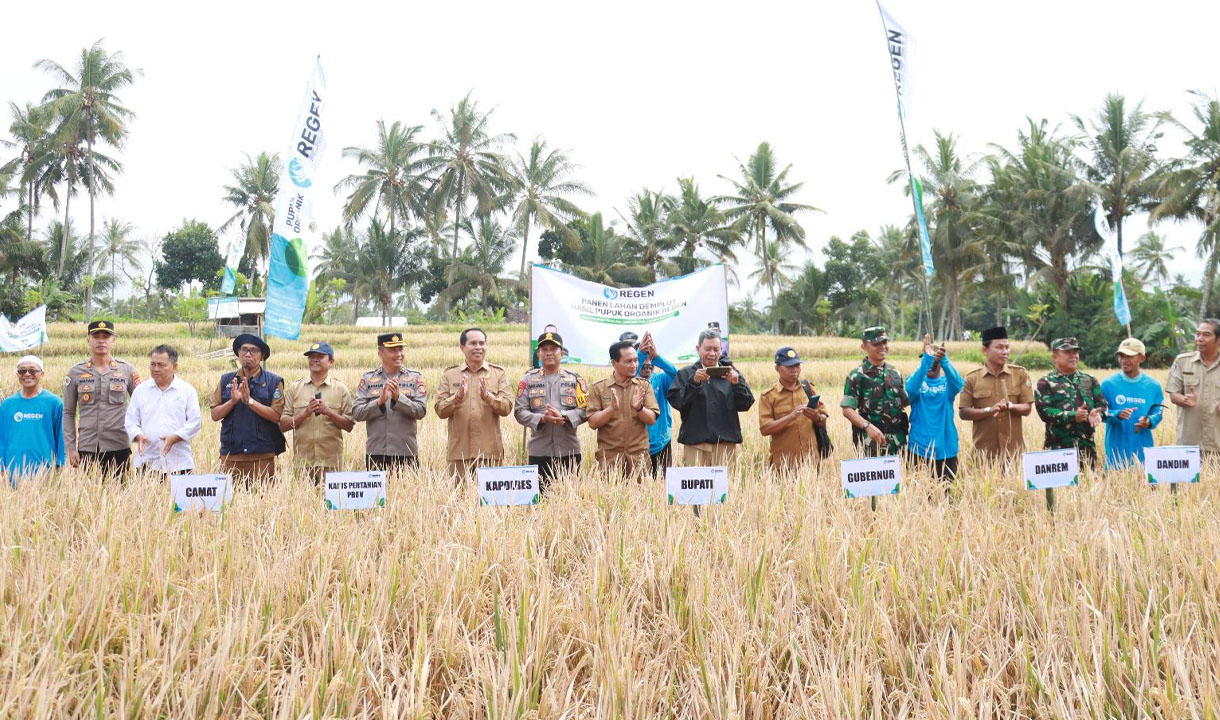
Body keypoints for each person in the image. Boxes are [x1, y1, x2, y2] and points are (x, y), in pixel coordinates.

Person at [667, 328, 754, 470]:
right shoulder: (686, 374)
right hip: (695, 445)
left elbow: (745, 404)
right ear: (698, 349)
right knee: (694, 490)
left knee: (725, 489)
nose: (712, 354)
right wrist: (694, 382)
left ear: (721, 350)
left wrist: (737, 384)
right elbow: (678, 402)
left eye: (716, 349)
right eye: (707, 349)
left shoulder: (731, 373)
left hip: (725, 445)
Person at [62, 320, 141, 477]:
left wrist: (141, 439)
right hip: (87, 446)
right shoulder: (75, 372)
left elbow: (142, 405)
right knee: (88, 497)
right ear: (88, 340)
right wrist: (71, 448)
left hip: (118, 445)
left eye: (106, 336)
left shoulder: (127, 370)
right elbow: (69, 413)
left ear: (113, 340)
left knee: (118, 496)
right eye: (96, 336)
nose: (101, 340)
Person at [514, 331, 587, 493]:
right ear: (538, 353)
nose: (548, 353)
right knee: (540, 500)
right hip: (539, 451)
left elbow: (586, 410)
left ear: (562, 353)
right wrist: (542, 419)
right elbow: (519, 412)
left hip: (569, 450)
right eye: (544, 349)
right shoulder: (527, 380)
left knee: (571, 500)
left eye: (553, 349)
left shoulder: (575, 379)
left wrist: (565, 416)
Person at [435, 328, 513, 479]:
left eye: (482, 343)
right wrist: (456, 398)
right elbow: (440, 410)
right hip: (459, 454)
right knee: (458, 500)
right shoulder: (450, 375)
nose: (478, 347)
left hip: (489, 454)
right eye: (473, 343)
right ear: (462, 347)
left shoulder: (498, 374)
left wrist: (488, 397)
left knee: (489, 502)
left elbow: (507, 408)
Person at [208, 333, 286, 484]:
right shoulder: (226, 380)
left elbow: (276, 415)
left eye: (254, 350)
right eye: (244, 350)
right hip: (231, 456)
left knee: (263, 502)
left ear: (262, 356)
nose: (248, 354)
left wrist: (249, 401)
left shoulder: (274, 382)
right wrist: (232, 401)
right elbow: (215, 414)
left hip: (262, 456)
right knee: (231, 503)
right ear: (238, 353)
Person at [279, 342, 355, 484]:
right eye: (311, 356)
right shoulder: (295, 388)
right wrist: (305, 413)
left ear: (331, 361)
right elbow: (283, 425)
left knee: (330, 505)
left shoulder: (341, 389)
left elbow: (349, 426)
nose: (314, 359)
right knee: (302, 504)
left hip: (331, 464)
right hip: (303, 464)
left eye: (320, 356)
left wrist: (329, 412)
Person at [352, 332, 427, 473]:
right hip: (376, 453)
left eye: (401, 349)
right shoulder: (368, 379)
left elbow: (421, 411)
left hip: (406, 451)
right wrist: (379, 402)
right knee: (377, 496)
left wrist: (399, 398)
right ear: (380, 353)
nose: (398, 354)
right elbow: (357, 413)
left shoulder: (415, 378)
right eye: (393, 350)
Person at [958, 326, 1034, 461]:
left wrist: (1011, 406)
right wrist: (989, 410)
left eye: (1007, 347)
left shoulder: (1020, 374)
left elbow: (1027, 409)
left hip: (1014, 455)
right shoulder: (972, 378)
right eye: (999, 347)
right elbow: (964, 412)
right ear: (985, 350)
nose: (1005, 352)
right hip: (984, 455)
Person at [125, 345, 202, 475]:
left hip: (179, 463)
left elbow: (195, 422)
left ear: (174, 367)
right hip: (147, 463)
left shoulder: (187, 390)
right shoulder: (140, 391)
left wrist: (175, 437)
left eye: (161, 365)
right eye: (152, 364)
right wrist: (138, 436)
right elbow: (130, 420)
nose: (155, 369)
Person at [586, 340, 659, 477]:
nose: (634, 365)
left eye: (636, 360)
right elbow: (593, 423)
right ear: (614, 363)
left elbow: (651, 419)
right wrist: (611, 409)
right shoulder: (599, 388)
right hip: (609, 459)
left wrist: (640, 408)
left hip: (639, 459)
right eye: (628, 361)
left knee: (640, 497)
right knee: (609, 497)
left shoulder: (644, 386)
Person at [1034, 337, 1107, 467]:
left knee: (1087, 485)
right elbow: (1044, 411)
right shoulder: (1045, 382)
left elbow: (1102, 405)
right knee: (1060, 487)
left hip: (1086, 449)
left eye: (1076, 352)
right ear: (1055, 357)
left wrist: (1096, 414)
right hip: (1058, 449)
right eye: (1068, 352)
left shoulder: (1089, 380)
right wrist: (1073, 415)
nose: (1074, 356)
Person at [840, 326, 910, 456]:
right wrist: (868, 427)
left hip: (897, 441)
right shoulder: (857, 376)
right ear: (864, 347)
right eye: (876, 343)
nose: (882, 347)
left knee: (901, 476)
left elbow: (902, 402)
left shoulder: (894, 372)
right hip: (871, 442)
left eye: (885, 342)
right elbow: (847, 410)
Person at [758, 346, 828, 471]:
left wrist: (816, 417)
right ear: (777, 368)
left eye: (797, 366)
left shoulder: (808, 389)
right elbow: (765, 429)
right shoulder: (769, 396)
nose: (795, 370)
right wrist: (791, 417)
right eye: (790, 367)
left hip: (811, 462)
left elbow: (823, 418)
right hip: (784, 465)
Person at [905, 334, 965, 482]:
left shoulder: (947, 383)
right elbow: (910, 391)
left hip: (946, 449)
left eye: (935, 361)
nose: (932, 364)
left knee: (946, 498)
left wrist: (944, 360)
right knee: (919, 499)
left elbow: (958, 384)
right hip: (919, 449)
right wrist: (927, 359)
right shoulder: (916, 381)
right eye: (928, 359)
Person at [1101, 337, 1164, 469]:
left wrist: (1149, 421)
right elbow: (1099, 413)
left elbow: (1158, 413)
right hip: (1115, 453)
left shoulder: (1153, 386)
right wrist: (1117, 414)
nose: (1124, 360)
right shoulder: (1108, 384)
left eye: (1129, 356)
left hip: (1143, 452)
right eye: (1121, 355)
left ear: (1142, 358)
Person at [0, 356, 64, 481]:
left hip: (44, 472)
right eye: (22, 371)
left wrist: (60, 465)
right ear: (17, 374)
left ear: (42, 374)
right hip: (12, 472)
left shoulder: (54, 402)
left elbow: (62, 437)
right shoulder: (7, 405)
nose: (27, 374)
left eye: (32, 370)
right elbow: (1, 438)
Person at [1167, 319, 1220, 455]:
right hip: (1189, 444)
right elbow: (1173, 395)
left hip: (1217, 442)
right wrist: (1185, 400)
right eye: (1197, 334)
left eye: (1206, 335)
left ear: (1218, 340)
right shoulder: (1182, 362)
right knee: (1187, 478)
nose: (1199, 339)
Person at [629, 330, 679, 475]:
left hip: (662, 442)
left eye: (650, 359)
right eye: (644, 359)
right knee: (638, 486)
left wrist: (656, 357)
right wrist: (639, 354)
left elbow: (677, 375)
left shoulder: (661, 379)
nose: (648, 363)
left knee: (663, 486)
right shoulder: (628, 382)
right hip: (636, 445)